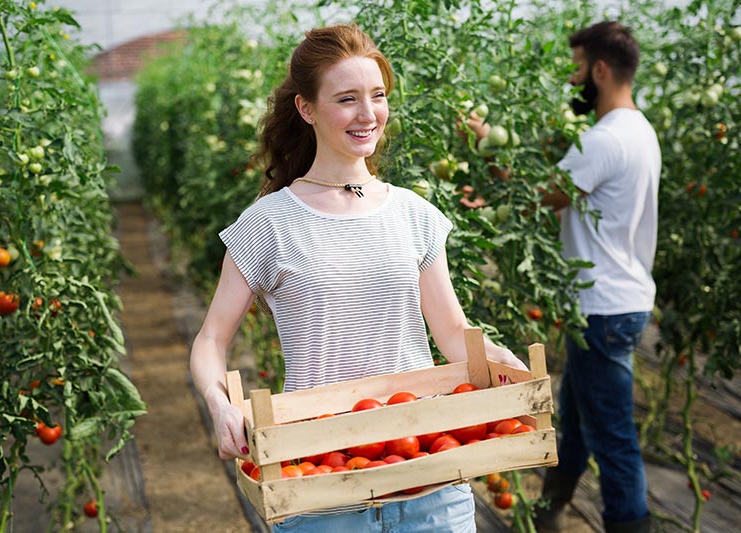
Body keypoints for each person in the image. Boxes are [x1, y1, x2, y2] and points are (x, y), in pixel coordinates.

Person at [188, 24, 527, 532]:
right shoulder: (268, 224)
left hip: (428, 476)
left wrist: (500, 362)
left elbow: (453, 333)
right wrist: (218, 403)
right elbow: (211, 338)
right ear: (307, 109)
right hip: (319, 485)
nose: (368, 115)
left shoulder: (415, 215)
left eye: (378, 96)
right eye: (347, 99)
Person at [466, 20, 660, 533]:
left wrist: (487, 142)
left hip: (603, 307)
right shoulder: (640, 130)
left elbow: (536, 195)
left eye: (575, 68)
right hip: (620, 300)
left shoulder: (603, 140)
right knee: (574, 420)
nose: (571, 81)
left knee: (613, 434)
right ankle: (549, 511)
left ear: (598, 70)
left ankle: (629, 524)